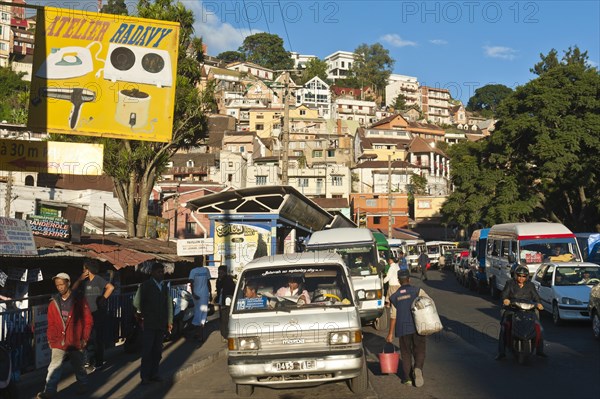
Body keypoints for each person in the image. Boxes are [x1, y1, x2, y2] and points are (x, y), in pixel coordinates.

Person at [36, 273, 93, 399]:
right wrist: (51, 339)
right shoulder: (53, 303)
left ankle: (83, 384)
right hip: (59, 341)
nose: (60, 287)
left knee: (79, 366)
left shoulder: (79, 300)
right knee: (54, 367)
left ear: (68, 283)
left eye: (62, 284)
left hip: (75, 340)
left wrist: (85, 338)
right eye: (57, 285)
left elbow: (88, 320)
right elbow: (51, 324)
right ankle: (49, 391)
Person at [386, 269, 430, 387]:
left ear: (399, 281)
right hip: (418, 326)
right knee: (420, 350)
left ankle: (408, 379)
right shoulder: (418, 291)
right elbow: (428, 302)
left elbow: (393, 316)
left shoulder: (394, 296)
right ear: (409, 279)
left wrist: (390, 333)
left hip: (402, 328)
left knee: (406, 353)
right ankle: (418, 368)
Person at [71, 259, 114, 371]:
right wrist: (80, 279)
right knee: (85, 337)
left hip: (97, 313)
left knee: (97, 338)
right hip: (85, 314)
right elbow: (72, 290)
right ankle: (88, 360)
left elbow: (111, 287)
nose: (83, 271)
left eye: (84, 269)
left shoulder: (98, 279)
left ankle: (98, 362)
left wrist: (103, 299)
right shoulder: (83, 282)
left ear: (88, 270)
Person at [134, 263, 173, 385]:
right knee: (147, 351)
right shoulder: (145, 286)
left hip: (161, 324)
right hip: (149, 323)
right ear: (152, 273)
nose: (161, 274)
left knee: (157, 351)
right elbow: (136, 303)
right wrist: (143, 313)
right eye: (159, 272)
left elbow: (169, 305)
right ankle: (145, 376)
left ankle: (154, 374)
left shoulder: (164, 287)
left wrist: (170, 321)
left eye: (162, 272)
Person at [495, 266, 546, 360]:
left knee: (540, 328)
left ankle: (540, 350)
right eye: (519, 276)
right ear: (515, 275)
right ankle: (501, 352)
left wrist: (539, 304)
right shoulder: (509, 283)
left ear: (527, 277)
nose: (521, 278)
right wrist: (506, 300)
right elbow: (504, 294)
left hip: (529, 310)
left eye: (523, 276)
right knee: (503, 328)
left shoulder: (530, 285)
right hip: (512, 310)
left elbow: (536, 297)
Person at [188, 256, 212, 342]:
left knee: (200, 313)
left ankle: (200, 334)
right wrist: (210, 293)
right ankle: (199, 334)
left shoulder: (194, 271)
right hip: (203, 295)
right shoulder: (204, 270)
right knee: (201, 314)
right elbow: (208, 283)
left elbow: (191, 283)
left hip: (199, 295)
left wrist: (194, 293)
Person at [215, 266, 236, 340]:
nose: (219, 274)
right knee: (222, 319)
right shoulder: (219, 280)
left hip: (227, 302)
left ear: (224, 272)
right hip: (221, 302)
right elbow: (218, 290)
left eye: (221, 273)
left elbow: (231, 290)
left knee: (226, 319)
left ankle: (226, 335)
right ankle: (224, 335)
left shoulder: (228, 280)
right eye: (218, 273)